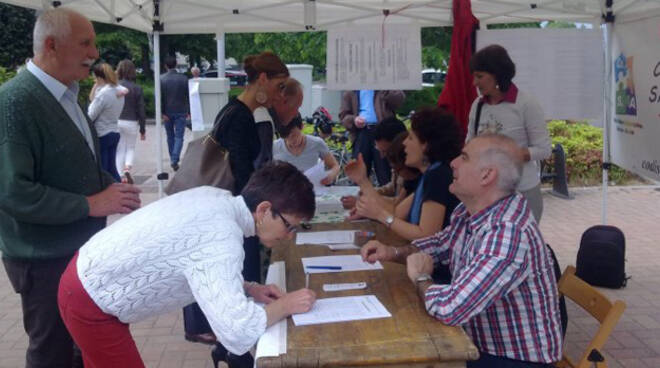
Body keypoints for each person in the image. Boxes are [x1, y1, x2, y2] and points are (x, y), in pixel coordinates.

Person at [58, 162, 317, 368]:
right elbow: (237, 331)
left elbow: (200, 265)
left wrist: (248, 288)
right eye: (289, 225)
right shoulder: (222, 235)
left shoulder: (219, 199)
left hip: (86, 278)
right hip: (90, 298)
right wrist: (286, 305)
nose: (289, 235)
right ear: (263, 210)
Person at [0, 8, 141, 367]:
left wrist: (111, 188)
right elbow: (13, 193)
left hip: (76, 253)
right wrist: (91, 204)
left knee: (80, 350)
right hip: (44, 260)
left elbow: (75, 162)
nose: (95, 53)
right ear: (51, 45)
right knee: (52, 354)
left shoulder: (66, 93)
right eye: (85, 43)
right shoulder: (14, 103)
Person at [361, 134, 563, 368]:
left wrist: (421, 277)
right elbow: (439, 246)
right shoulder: (471, 212)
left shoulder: (508, 232)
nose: (454, 163)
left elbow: (450, 308)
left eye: (464, 158)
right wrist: (392, 253)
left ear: (487, 175)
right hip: (478, 343)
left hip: (513, 359)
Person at [182, 51, 290, 348]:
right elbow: (243, 175)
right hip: (230, 210)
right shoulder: (240, 117)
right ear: (263, 79)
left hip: (223, 206)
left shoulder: (235, 111)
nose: (281, 93)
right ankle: (232, 337)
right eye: (279, 85)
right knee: (235, 274)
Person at [467, 44, 551, 222]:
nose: (475, 83)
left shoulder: (526, 104)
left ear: (497, 74)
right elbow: (469, 142)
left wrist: (510, 155)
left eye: (480, 76)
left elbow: (544, 149)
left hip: (523, 192)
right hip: (487, 193)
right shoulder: (478, 105)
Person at [352, 108, 462, 242]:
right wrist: (362, 180)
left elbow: (426, 235)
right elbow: (398, 213)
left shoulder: (438, 176)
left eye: (411, 138)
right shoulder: (430, 174)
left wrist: (379, 214)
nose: (404, 143)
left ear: (425, 145)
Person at [339, 89, 405, 186]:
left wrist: (385, 88)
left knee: (385, 172)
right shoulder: (353, 90)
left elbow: (398, 101)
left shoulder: (384, 87)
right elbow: (343, 115)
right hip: (361, 132)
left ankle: (388, 198)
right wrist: (354, 120)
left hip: (383, 132)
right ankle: (359, 199)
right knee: (360, 172)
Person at [341, 116, 408, 209]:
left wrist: (366, 196)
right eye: (379, 151)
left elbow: (399, 203)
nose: (382, 156)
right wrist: (369, 194)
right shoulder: (399, 163)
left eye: (386, 151)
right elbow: (392, 187)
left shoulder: (411, 168)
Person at [253, 77, 304, 169]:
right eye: (297, 107)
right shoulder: (264, 122)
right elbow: (259, 174)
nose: (297, 113)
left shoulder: (256, 111)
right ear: (284, 101)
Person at [273, 115, 340, 184]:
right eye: (286, 137)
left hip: (312, 189)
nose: (291, 141)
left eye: (294, 135)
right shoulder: (275, 147)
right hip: (285, 191)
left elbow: (335, 166)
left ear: (302, 127)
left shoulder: (316, 143)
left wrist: (330, 176)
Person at [88, 62, 125, 182]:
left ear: (99, 77)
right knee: (112, 168)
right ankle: (121, 192)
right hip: (114, 132)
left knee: (103, 170)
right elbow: (93, 98)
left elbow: (91, 115)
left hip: (102, 134)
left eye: (95, 77)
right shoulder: (118, 90)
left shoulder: (104, 94)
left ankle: (110, 194)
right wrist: (96, 86)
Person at [115, 59, 146, 184]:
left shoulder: (115, 87)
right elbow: (141, 109)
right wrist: (142, 129)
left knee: (120, 148)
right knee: (130, 147)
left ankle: (120, 175)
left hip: (117, 120)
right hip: (132, 121)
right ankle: (127, 167)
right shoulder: (137, 88)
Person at [160, 55, 190, 171]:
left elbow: (160, 97)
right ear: (176, 64)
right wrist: (188, 111)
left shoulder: (161, 79)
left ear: (165, 66)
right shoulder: (183, 78)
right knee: (179, 136)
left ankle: (173, 158)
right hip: (181, 111)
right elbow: (188, 96)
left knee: (170, 136)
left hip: (167, 112)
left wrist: (162, 112)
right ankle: (174, 159)